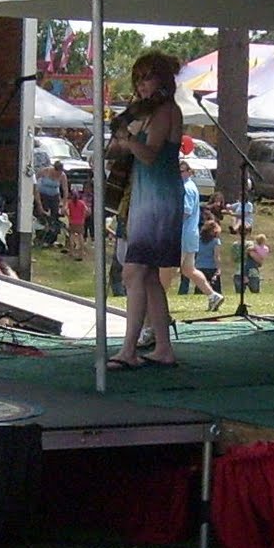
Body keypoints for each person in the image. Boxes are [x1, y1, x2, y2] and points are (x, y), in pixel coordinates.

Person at [107, 51, 184, 369]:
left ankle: (129, 350)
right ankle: (163, 348)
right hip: (143, 196)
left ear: (163, 79)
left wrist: (126, 138)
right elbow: (119, 150)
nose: (141, 84)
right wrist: (120, 139)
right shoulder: (145, 112)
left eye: (148, 77)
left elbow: (150, 154)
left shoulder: (166, 111)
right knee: (148, 274)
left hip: (159, 197)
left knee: (134, 271)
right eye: (137, 78)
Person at [176, 160, 225, 310]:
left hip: (183, 235)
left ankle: (155, 304)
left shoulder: (186, 188)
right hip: (190, 235)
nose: (179, 173)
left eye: (183, 170)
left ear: (190, 172)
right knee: (189, 270)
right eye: (178, 170)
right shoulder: (189, 186)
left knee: (169, 269)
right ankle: (213, 296)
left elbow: (185, 212)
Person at [66, 187, 89, 261]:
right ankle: (81, 252)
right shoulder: (82, 203)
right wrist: (83, 217)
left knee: (72, 236)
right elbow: (87, 211)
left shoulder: (70, 203)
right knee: (80, 236)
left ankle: (71, 252)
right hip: (80, 222)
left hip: (72, 221)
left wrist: (68, 217)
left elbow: (65, 210)